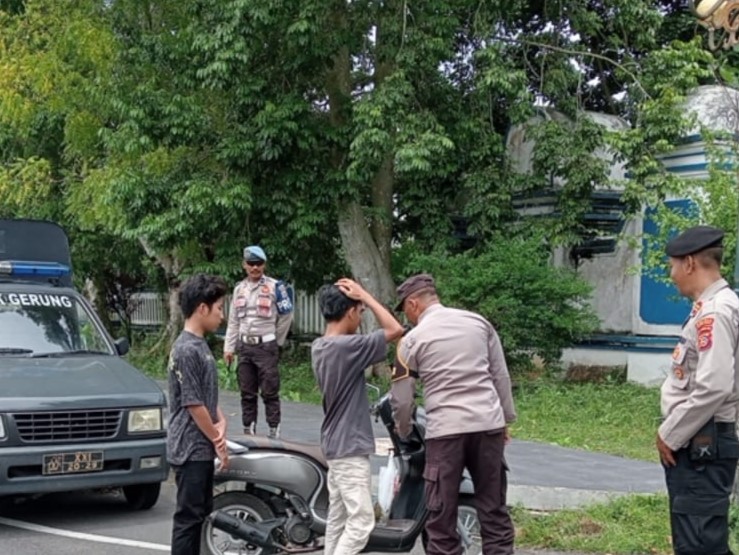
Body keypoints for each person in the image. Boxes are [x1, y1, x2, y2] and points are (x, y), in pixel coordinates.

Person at [390, 273, 516, 555]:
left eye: (406, 310)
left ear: (413, 304)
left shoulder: (412, 340)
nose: (407, 317)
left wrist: (403, 431)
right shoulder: (478, 323)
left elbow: (402, 397)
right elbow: (500, 376)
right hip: (488, 426)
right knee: (494, 509)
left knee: (441, 517)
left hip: (446, 433)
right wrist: (504, 420)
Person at [657, 225, 739, 555]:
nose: (672, 274)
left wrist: (670, 434)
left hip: (705, 443)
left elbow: (713, 386)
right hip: (706, 440)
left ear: (690, 263)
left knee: (699, 545)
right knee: (701, 541)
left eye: (673, 265)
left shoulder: (715, 313)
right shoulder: (717, 307)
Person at [312, 278, 404, 555]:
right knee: (362, 520)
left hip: (335, 444)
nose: (362, 315)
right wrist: (366, 294)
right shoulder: (346, 347)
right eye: (360, 311)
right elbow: (395, 329)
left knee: (339, 520)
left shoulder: (320, 346)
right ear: (351, 311)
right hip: (349, 447)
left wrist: (361, 297)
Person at [167, 273, 230, 555]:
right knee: (188, 519)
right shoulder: (185, 349)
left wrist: (220, 418)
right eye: (219, 308)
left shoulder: (200, 345)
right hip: (190, 447)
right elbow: (193, 404)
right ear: (202, 308)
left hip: (201, 446)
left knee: (201, 513)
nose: (222, 315)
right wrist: (218, 439)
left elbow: (204, 396)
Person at [224, 245, 294, 438]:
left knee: (270, 391)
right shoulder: (239, 289)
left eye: (259, 264)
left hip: (266, 345)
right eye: (251, 264)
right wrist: (229, 347)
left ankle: (273, 430)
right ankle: (248, 429)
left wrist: (276, 340)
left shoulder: (276, 287)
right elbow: (233, 320)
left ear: (264, 264)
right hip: (244, 346)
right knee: (246, 391)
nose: (255, 268)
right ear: (244, 265)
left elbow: (286, 315)